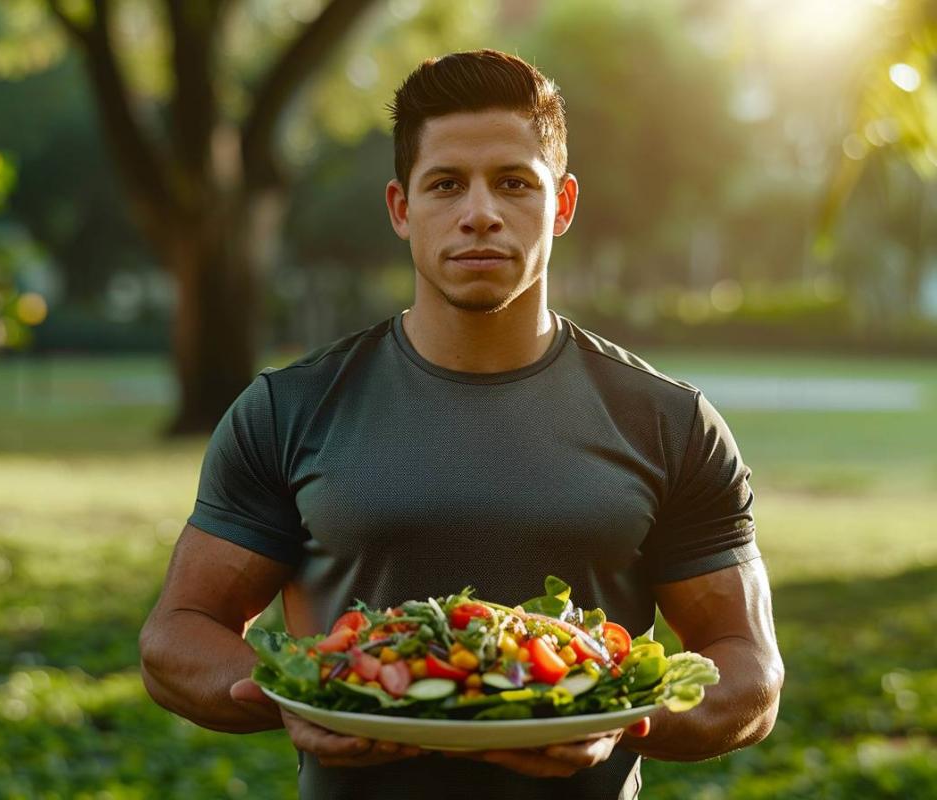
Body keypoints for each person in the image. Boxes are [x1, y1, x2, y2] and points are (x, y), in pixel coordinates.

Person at [139, 49, 784, 799]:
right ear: (402, 208)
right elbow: (177, 633)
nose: (480, 212)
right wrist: (292, 700)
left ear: (563, 205)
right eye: (446, 184)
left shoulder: (670, 421)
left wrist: (617, 718)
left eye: (515, 183)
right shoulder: (289, 409)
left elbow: (747, 666)